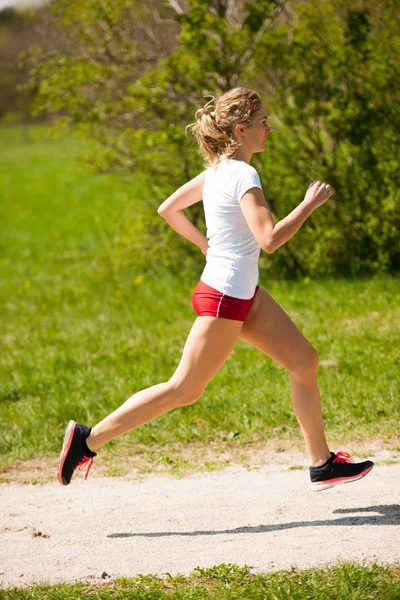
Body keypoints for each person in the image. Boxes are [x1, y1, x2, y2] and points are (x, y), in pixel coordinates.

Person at [57, 87, 374, 491]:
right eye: (262, 124)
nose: (269, 130)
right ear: (241, 129)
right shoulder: (242, 174)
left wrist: (204, 245)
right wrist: (309, 204)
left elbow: (168, 209)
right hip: (226, 297)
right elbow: (270, 239)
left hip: (241, 292)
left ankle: (322, 463)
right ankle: (88, 439)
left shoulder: (219, 171)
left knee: (304, 361)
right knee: (183, 389)